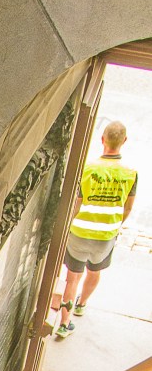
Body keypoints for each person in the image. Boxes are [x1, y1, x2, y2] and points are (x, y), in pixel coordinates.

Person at [57, 120, 137, 339]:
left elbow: (76, 203)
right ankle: (82, 304)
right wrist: (115, 225)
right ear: (124, 141)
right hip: (106, 235)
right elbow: (128, 207)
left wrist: (68, 224)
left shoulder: (88, 168)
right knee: (94, 271)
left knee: (72, 278)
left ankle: (64, 323)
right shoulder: (130, 173)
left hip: (79, 232)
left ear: (102, 140)